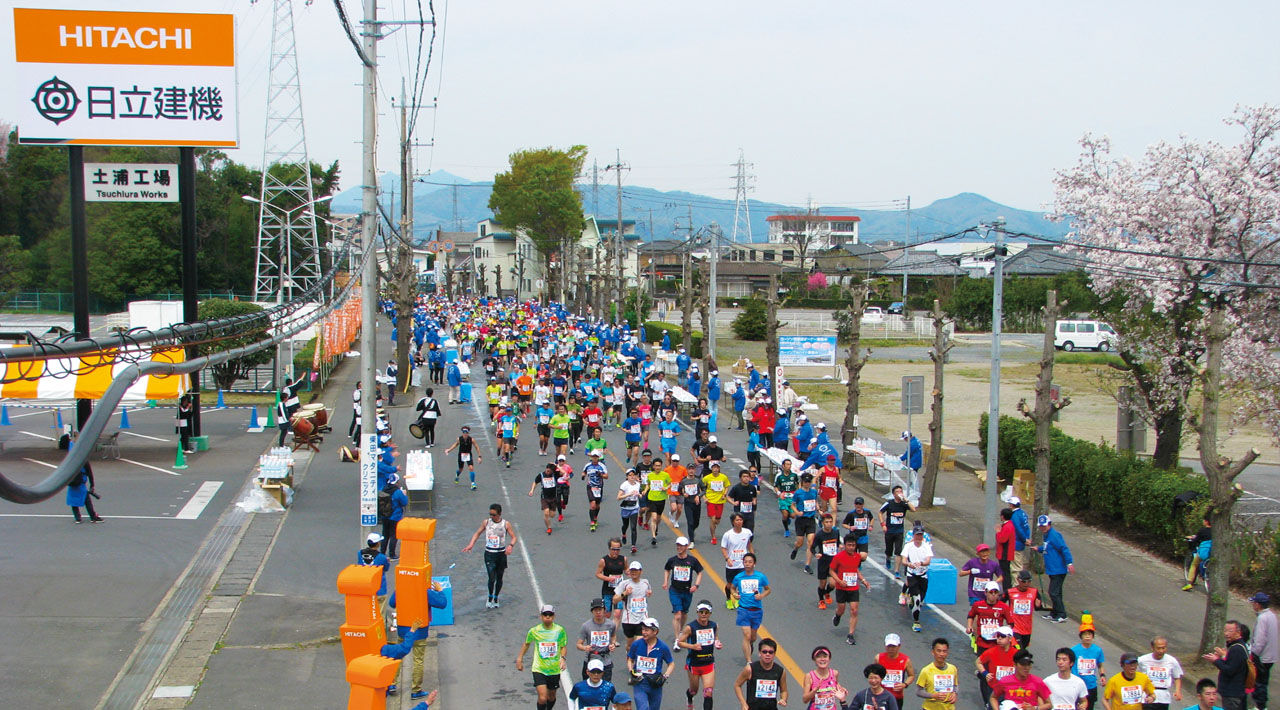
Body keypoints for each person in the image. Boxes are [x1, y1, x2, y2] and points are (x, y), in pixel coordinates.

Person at [461, 503, 517, 608]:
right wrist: (471, 544)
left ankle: (496, 597)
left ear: (499, 514)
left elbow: (514, 537)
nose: (491, 516)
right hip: (489, 554)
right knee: (492, 577)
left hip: (501, 554)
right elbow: (477, 533)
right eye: (490, 514)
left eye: (494, 514)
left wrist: (510, 546)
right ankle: (490, 596)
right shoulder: (486, 523)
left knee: (499, 577)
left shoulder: (506, 524)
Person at [516, 604, 569, 710]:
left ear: (554, 616)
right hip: (539, 668)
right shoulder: (534, 631)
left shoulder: (559, 630)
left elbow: (563, 647)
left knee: (551, 696)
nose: (548, 617)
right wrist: (519, 658)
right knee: (543, 697)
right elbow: (527, 644)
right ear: (541, 616)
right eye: (545, 614)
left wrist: (562, 659)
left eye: (550, 615)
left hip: (554, 669)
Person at [676, 600, 721, 710]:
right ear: (697, 612)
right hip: (694, 663)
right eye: (701, 612)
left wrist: (717, 643)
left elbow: (715, 638)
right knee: (694, 690)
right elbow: (679, 642)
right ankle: (689, 697)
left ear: (710, 613)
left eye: (706, 612)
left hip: (708, 663)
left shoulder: (714, 626)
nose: (703, 615)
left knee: (708, 692)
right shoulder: (690, 627)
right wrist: (693, 647)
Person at [828, 534, 871, 645]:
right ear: (845, 545)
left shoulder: (857, 557)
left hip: (853, 588)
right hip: (841, 587)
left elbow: (855, 569)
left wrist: (863, 580)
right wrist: (839, 581)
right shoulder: (838, 557)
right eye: (849, 545)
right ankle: (837, 615)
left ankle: (850, 634)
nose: (851, 547)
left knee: (854, 610)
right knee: (841, 609)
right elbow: (831, 571)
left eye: (853, 545)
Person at [663, 537, 705, 644]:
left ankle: (680, 630)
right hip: (675, 590)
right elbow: (667, 569)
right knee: (677, 614)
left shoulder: (692, 560)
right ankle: (677, 638)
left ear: (686, 547)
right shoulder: (672, 560)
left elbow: (700, 572)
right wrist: (665, 582)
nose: (679, 547)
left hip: (687, 591)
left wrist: (696, 585)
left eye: (681, 545)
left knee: (684, 613)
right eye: (678, 545)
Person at [627, 617, 675, 710]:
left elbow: (671, 664)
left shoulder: (662, 647)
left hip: (655, 684)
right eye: (643, 629)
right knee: (643, 708)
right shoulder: (636, 644)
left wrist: (665, 676)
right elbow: (630, 659)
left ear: (655, 631)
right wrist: (631, 671)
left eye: (647, 630)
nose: (644, 632)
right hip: (640, 683)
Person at [731, 552, 771, 661]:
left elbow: (768, 589)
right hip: (743, 609)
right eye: (745, 562)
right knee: (747, 635)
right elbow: (732, 588)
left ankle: (750, 645)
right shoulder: (738, 577)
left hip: (757, 610)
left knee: (753, 637)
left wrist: (761, 595)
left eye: (750, 562)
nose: (747, 564)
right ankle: (749, 661)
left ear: (754, 564)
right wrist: (734, 594)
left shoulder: (760, 576)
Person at [1034, 515, 1074, 623]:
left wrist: (1069, 563)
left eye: (1044, 526)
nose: (1042, 528)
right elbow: (1048, 548)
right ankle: (1055, 612)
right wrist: (1039, 549)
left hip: (1058, 569)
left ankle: (1061, 614)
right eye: (1041, 526)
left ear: (1049, 524)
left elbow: (1064, 548)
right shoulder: (1047, 536)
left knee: (1053, 592)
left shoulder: (1054, 535)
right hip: (1052, 569)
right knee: (1056, 592)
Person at [1202, 620, 1250, 710]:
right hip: (1235, 691)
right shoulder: (1237, 646)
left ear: (1238, 632)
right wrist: (1222, 657)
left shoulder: (1236, 649)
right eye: (1225, 631)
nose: (1226, 634)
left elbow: (1229, 670)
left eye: (1230, 631)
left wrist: (1216, 660)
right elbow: (1232, 664)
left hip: (1233, 693)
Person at [734, 637, 788, 710]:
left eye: (771, 652)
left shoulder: (780, 671)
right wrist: (743, 704)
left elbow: (784, 690)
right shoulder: (750, 669)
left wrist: (783, 699)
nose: (767, 654)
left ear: (774, 654)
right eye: (764, 652)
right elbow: (737, 685)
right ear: (760, 653)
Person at [577, 599, 620, 682]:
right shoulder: (586, 626)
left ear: (604, 610)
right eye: (595, 610)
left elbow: (613, 636)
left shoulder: (611, 625)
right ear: (592, 611)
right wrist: (585, 648)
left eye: (600, 610)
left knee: (605, 689)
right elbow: (579, 644)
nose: (598, 612)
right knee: (588, 688)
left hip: (605, 661)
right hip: (591, 660)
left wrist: (613, 644)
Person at [901, 522, 934, 632]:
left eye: (921, 535)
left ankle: (913, 602)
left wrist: (922, 563)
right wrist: (908, 564)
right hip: (912, 575)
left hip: (923, 575)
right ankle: (916, 622)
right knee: (917, 600)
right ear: (914, 535)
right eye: (917, 535)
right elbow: (904, 560)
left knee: (922, 599)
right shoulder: (908, 546)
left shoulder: (926, 546)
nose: (919, 537)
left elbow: (928, 560)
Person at [976, 626, 1019, 708]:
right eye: (997, 636)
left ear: (1010, 639)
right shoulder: (991, 651)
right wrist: (985, 673)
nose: (999, 639)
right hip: (994, 687)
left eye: (1002, 636)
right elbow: (978, 662)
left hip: (1010, 689)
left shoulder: (1016, 653)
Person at [615, 561, 654, 648]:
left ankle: (636, 660)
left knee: (639, 643)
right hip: (628, 620)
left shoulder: (646, 582)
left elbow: (649, 591)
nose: (633, 572)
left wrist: (649, 593)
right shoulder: (624, 584)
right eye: (632, 570)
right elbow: (614, 600)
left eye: (636, 570)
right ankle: (629, 659)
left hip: (642, 619)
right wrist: (624, 593)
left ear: (641, 571)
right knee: (630, 645)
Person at [1138, 636, 1184, 710]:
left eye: (1163, 648)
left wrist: (1177, 691)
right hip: (1147, 695)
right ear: (1152, 648)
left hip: (1163, 697)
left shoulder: (1172, 661)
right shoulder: (1142, 660)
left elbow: (1177, 677)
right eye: (1158, 648)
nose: (1161, 651)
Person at [969, 582, 1014, 657]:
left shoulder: (1004, 607)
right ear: (986, 592)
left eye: (996, 592)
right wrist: (969, 626)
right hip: (982, 641)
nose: (993, 594)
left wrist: (1005, 632)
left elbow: (1011, 622)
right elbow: (971, 616)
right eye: (991, 592)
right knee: (982, 663)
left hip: (996, 642)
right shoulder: (978, 605)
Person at [880, 485, 916, 577]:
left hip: (899, 531)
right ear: (893, 494)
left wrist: (906, 500)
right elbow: (880, 512)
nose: (899, 493)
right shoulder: (889, 503)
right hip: (889, 530)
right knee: (889, 550)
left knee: (898, 551)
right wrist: (883, 524)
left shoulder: (904, 504)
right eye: (897, 492)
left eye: (901, 491)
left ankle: (896, 571)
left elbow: (913, 509)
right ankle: (888, 558)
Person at [720, 514, 755, 610]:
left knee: (741, 583)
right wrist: (727, 559)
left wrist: (752, 557)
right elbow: (723, 548)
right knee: (730, 585)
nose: (739, 522)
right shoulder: (728, 535)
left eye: (741, 520)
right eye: (737, 520)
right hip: (731, 564)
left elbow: (749, 544)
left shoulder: (747, 532)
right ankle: (729, 599)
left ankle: (740, 601)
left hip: (742, 563)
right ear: (733, 522)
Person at [1250, 592, 1277, 710]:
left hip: (1262, 656)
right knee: (1264, 681)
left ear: (1258, 604)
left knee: (1259, 682)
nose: (1253, 605)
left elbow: (1260, 640)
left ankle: (1260, 706)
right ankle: (1262, 705)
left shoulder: (1262, 618)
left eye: (1254, 603)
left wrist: (1254, 653)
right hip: (1272, 656)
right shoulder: (1272, 615)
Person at [1072, 617, 1107, 710]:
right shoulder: (1074, 650)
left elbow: (1100, 665)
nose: (1087, 636)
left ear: (1093, 636)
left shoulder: (1097, 650)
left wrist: (1102, 676)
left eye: (1089, 634)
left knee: (1090, 706)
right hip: (1077, 685)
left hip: (1091, 685)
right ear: (1081, 636)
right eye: (1085, 634)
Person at [916, 637, 959, 710]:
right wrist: (933, 696)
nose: (941, 654)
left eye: (944, 651)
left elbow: (955, 685)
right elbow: (918, 691)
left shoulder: (952, 669)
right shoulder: (926, 671)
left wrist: (955, 693)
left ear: (947, 652)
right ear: (933, 652)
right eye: (938, 651)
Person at [810, 514, 842, 610]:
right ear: (823, 523)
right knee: (822, 584)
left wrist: (839, 546)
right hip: (823, 562)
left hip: (834, 562)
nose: (829, 524)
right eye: (826, 522)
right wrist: (816, 554)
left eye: (830, 522)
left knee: (833, 583)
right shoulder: (819, 535)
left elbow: (838, 542)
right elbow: (812, 547)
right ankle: (821, 600)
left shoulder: (836, 532)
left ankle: (827, 593)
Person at [877, 634, 917, 709]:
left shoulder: (905, 660)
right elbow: (873, 674)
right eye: (889, 646)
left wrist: (904, 684)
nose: (891, 649)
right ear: (885, 646)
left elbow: (911, 675)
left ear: (899, 646)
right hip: (880, 695)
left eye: (894, 646)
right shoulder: (878, 658)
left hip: (896, 697)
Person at [1007, 570, 1043, 649]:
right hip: (1015, 627)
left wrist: (1038, 605)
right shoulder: (1010, 592)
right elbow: (1000, 603)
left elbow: (1038, 607)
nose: (1026, 584)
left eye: (1029, 581)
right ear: (1018, 580)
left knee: (1023, 648)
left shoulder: (1034, 592)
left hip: (1027, 628)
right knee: (1018, 649)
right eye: (1023, 581)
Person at [358, 532, 391, 621]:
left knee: (367, 613)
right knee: (380, 614)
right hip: (380, 589)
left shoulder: (360, 553)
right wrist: (387, 561)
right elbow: (386, 568)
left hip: (365, 587)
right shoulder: (382, 557)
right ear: (378, 544)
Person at [379, 474, 409, 559]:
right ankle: (392, 554)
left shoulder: (384, 488)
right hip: (394, 516)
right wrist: (404, 495)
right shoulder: (397, 492)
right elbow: (404, 502)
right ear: (397, 482)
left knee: (385, 534)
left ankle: (382, 553)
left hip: (385, 515)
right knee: (393, 535)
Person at [596, 538, 629, 614]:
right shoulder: (604, 560)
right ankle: (606, 625)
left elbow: (626, 568)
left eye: (617, 549)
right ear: (609, 549)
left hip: (619, 590)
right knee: (607, 614)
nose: (615, 551)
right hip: (607, 590)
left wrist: (628, 572)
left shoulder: (623, 559)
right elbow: (598, 574)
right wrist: (608, 578)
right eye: (613, 549)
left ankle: (614, 626)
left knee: (617, 613)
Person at [444, 425, 483, 489]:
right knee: (460, 469)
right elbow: (455, 444)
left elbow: (477, 447)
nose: (465, 434)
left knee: (471, 468)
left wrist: (479, 456)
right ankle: (457, 475)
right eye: (464, 433)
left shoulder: (472, 440)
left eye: (466, 433)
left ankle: (473, 483)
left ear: (468, 433)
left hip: (468, 455)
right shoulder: (459, 439)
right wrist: (449, 450)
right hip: (461, 455)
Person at [702, 462, 732, 545]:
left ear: (719, 468)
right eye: (713, 467)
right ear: (711, 468)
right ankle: (713, 537)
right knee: (713, 518)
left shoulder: (723, 477)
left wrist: (724, 494)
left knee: (717, 521)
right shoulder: (707, 478)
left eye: (717, 467)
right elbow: (701, 487)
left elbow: (726, 486)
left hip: (720, 501)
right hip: (711, 501)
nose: (715, 469)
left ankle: (713, 526)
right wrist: (704, 497)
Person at [645, 460, 673, 547]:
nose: (657, 467)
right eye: (656, 466)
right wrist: (645, 490)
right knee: (653, 517)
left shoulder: (665, 475)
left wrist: (666, 488)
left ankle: (656, 528)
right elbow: (648, 484)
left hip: (661, 499)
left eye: (659, 466)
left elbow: (670, 483)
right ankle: (654, 537)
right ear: (653, 466)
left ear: (661, 466)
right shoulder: (650, 475)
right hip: (652, 498)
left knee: (658, 517)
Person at [530, 463, 562, 535]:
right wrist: (532, 490)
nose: (547, 472)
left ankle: (549, 516)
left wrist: (557, 466)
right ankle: (549, 528)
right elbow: (535, 482)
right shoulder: (541, 475)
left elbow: (563, 473)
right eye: (547, 470)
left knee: (552, 515)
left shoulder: (555, 475)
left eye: (549, 471)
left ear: (552, 471)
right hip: (545, 498)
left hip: (553, 497)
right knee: (546, 513)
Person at [1182, 516, 1213, 592]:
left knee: (1194, 564)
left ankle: (1189, 583)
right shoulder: (1216, 531)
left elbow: (1196, 539)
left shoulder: (1202, 530)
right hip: (1212, 552)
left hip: (1203, 552)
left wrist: (1191, 538)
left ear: (1206, 521)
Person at [583, 451, 610, 532]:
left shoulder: (602, 466)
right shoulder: (588, 465)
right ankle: (592, 522)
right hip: (590, 487)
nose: (594, 458)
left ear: (598, 457)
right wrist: (583, 475)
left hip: (599, 487)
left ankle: (595, 517)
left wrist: (601, 475)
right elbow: (584, 472)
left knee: (597, 505)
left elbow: (606, 476)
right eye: (593, 457)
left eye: (596, 457)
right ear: (591, 457)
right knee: (593, 505)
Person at [773, 459, 799, 538]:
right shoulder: (779, 476)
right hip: (783, 498)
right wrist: (779, 493)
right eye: (787, 464)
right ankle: (787, 530)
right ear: (783, 466)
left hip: (792, 497)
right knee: (785, 514)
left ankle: (788, 518)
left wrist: (798, 494)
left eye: (790, 464)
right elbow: (775, 486)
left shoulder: (794, 475)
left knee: (793, 515)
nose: (789, 466)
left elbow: (798, 484)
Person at [618, 469, 643, 553]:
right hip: (625, 508)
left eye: (633, 475)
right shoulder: (624, 485)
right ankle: (624, 534)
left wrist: (639, 495)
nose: (632, 477)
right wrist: (629, 494)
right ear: (627, 477)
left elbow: (640, 495)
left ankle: (633, 546)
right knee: (625, 525)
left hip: (634, 508)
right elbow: (618, 497)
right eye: (630, 475)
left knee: (633, 527)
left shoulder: (638, 485)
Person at [1010, 497, 1032, 576]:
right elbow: (1026, 527)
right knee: (1019, 563)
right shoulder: (1023, 513)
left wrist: (1024, 539)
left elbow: (1018, 529)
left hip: (1016, 543)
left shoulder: (1014, 516)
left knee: (1016, 567)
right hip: (1021, 543)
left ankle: (1016, 584)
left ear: (1012, 505)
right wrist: (1027, 538)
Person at [996, 508, 1017, 586]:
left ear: (1002, 516)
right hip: (1006, 553)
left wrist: (998, 532)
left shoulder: (1007, 526)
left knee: (1005, 573)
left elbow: (1002, 539)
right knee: (1006, 572)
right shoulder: (1009, 525)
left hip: (1005, 554)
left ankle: (1006, 589)